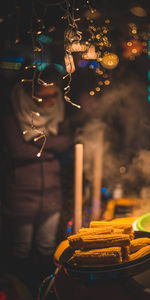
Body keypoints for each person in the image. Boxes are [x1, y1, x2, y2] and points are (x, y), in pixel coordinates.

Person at [1, 64, 74, 295]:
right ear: (30, 96)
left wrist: (38, 144)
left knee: (46, 247)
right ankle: (20, 290)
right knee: (20, 248)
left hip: (51, 192)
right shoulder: (14, 114)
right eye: (44, 97)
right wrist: (54, 148)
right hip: (22, 192)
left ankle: (44, 291)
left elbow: (67, 141)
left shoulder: (59, 110)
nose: (51, 101)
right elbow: (17, 151)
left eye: (54, 95)